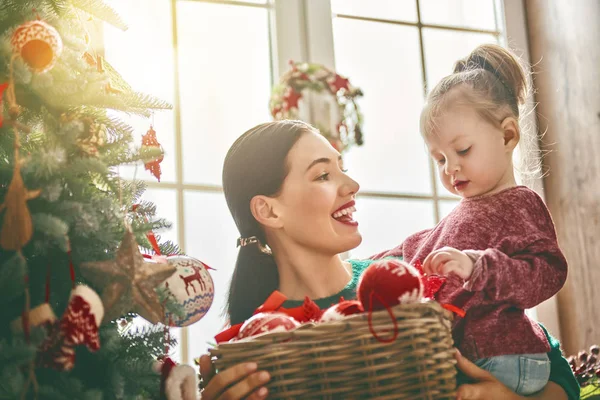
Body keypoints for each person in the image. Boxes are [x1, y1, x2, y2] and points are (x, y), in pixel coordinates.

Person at [197, 120, 578, 400]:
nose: (351, 185)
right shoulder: (255, 345)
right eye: (323, 175)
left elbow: (558, 373)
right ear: (269, 210)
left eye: (341, 167)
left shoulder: (401, 274)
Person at [372, 43, 569, 396]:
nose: (451, 168)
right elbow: (418, 249)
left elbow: (549, 271)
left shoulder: (519, 203)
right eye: (440, 159)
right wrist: (365, 266)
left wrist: (480, 267)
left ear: (508, 135)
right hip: (470, 358)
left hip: (506, 358)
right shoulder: (458, 217)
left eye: (462, 150)